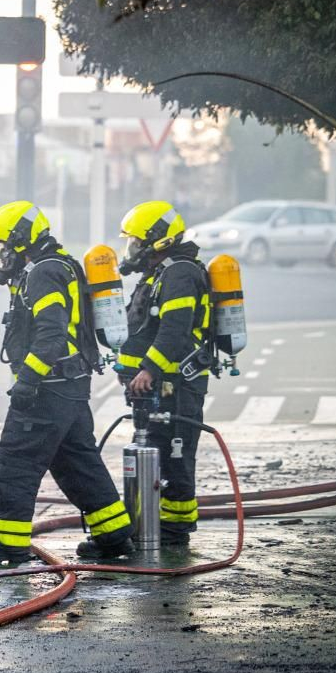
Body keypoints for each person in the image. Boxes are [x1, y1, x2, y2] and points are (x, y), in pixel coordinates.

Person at [0, 201, 135, 564]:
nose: (2, 255)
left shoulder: (44, 273)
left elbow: (51, 335)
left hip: (49, 388)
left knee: (13, 464)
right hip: (70, 386)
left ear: (19, 240)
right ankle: (114, 536)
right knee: (77, 464)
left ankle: (8, 545)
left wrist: (27, 380)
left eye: (4, 245)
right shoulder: (58, 266)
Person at [115, 199, 212, 546]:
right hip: (161, 385)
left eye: (137, 242)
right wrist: (129, 369)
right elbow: (143, 327)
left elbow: (174, 330)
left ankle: (176, 530)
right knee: (157, 451)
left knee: (176, 456)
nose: (133, 249)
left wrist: (149, 370)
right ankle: (157, 522)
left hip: (179, 386)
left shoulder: (181, 273)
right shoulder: (160, 273)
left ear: (159, 240)